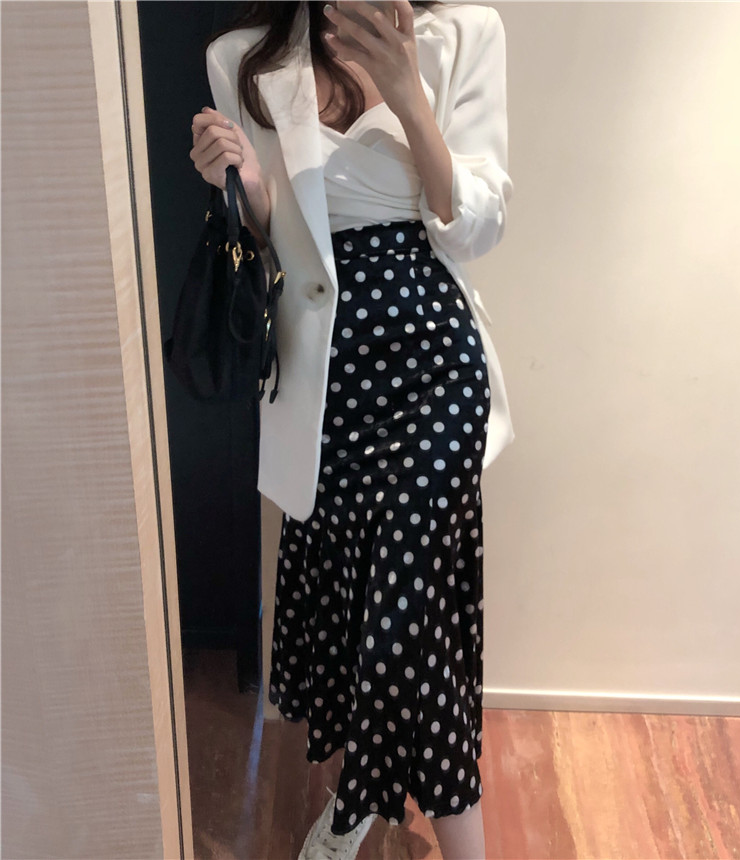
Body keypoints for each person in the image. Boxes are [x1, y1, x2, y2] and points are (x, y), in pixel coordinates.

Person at [189, 2, 513, 857]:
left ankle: (370, 814)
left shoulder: (464, 37)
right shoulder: (243, 59)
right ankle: (365, 807)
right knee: (366, 602)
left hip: (436, 365)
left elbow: (479, 227)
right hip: (324, 377)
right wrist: (244, 190)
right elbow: (276, 243)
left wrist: (410, 97)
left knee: (408, 602)